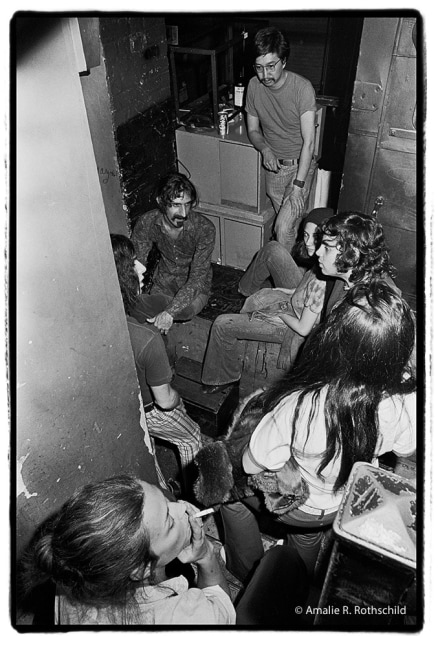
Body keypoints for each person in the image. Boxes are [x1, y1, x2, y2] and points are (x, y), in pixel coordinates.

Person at [220, 281, 417, 580]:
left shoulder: (301, 404)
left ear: (333, 341)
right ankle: (296, 578)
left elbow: (251, 464)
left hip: (303, 504)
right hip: (344, 499)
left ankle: (248, 571)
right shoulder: (406, 399)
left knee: (227, 494)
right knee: (307, 536)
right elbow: (405, 449)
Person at [22, 475, 309, 626]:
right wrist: (205, 555)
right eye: (170, 522)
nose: (184, 507)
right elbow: (221, 607)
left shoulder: (74, 569)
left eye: (166, 501)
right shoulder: (187, 617)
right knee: (282, 560)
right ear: (143, 569)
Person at [201, 210, 401, 394]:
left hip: (324, 368)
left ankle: (221, 379)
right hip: (305, 318)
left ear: (352, 253)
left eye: (327, 247)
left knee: (223, 324)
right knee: (272, 257)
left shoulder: (365, 308)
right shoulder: (351, 277)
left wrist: (279, 314)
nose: (318, 252)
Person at [110, 234, 201, 492]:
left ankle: (161, 487)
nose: (141, 268)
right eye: (132, 264)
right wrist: (178, 400)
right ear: (119, 275)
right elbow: (164, 400)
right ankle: (192, 499)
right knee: (191, 436)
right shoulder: (148, 340)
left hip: (119, 404)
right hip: (147, 409)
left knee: (146, 446)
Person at [246, 27, 318, 250]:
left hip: (300, 168)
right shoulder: (253, 86)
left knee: (284, 228)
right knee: (285, 227)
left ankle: (285, 282)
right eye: (259, 68)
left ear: (283, 62)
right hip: (274, 170)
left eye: (270, 66)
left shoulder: (302, 88)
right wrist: (265, 149)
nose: (264, 75)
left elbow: (309, 142)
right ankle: (294, 266)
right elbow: (253, 130)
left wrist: (299, 185)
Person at [130, 172, 216, 335]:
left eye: (188, 204)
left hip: (195, 287)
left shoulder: (205, 228)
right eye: (176, 205)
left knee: (184, 310)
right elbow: (138, 263)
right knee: (146, 311)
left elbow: (198, 278)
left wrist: (170, 311)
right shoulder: (147, 222)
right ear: (161, 202)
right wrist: (133, 289)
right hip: (165, 279)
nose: (183, 213)